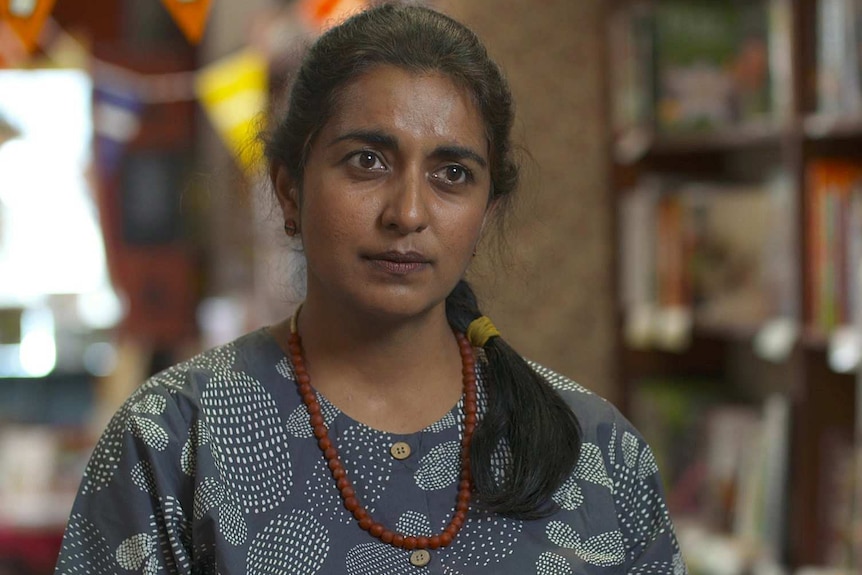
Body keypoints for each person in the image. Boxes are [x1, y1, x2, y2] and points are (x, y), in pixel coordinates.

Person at [54, 3, 686, 574]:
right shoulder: (172, 441)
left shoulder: (596, 451)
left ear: (486, 213)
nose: (407, 212)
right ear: (290, 189)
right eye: (368, 161)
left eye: (452, 174)